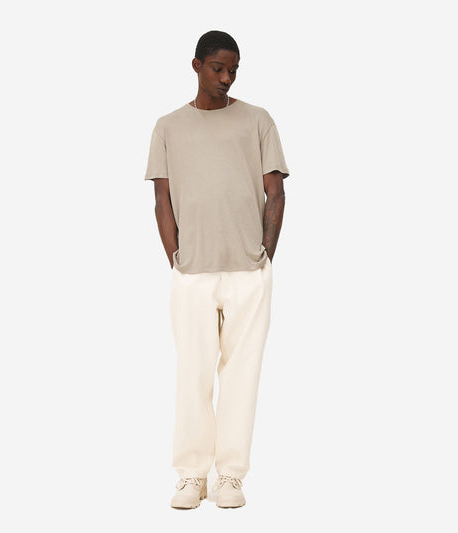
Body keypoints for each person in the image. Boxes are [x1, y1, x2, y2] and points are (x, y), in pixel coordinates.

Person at [144, 30, 290, 509]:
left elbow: (276, 192)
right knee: (193, 374)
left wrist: (264, 256)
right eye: (218, 68)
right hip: (193, 274)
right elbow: (162, 200)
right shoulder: (168, 127)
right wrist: (177, 259)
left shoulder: (258, 120)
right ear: (196, 66)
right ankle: (191, 476)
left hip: (249, 272)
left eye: (233, 70)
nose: (226, 78)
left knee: (242, 376)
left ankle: (230, 476)